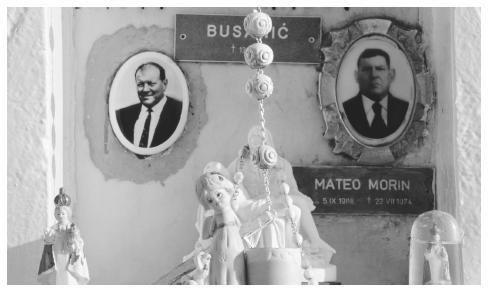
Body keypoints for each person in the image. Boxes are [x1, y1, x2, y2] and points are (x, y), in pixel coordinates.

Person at [342, 48, 409, 139]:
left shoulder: (405, 109)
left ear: (391, 75)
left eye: (380, 69)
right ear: (356, 76)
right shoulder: (345, 110)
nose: (374, 75)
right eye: (366, 69)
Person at [116, 62, 182, 148]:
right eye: (140, 84)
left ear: (164, 84)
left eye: (151, 84)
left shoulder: (179, 112)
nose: (145, 89)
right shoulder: (122, 115)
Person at [38, 188, 89, 285]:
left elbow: (78, 240)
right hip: (57, 252)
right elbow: (48, 239)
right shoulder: (54, 227)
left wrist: (75, 241)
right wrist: (48, 237)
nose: (60, 215)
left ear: (67, 214)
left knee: (68, 274)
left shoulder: (72, 227)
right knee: (58, 273)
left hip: (68, 252)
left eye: (63, 213)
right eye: (58, 214)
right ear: (55, 214)